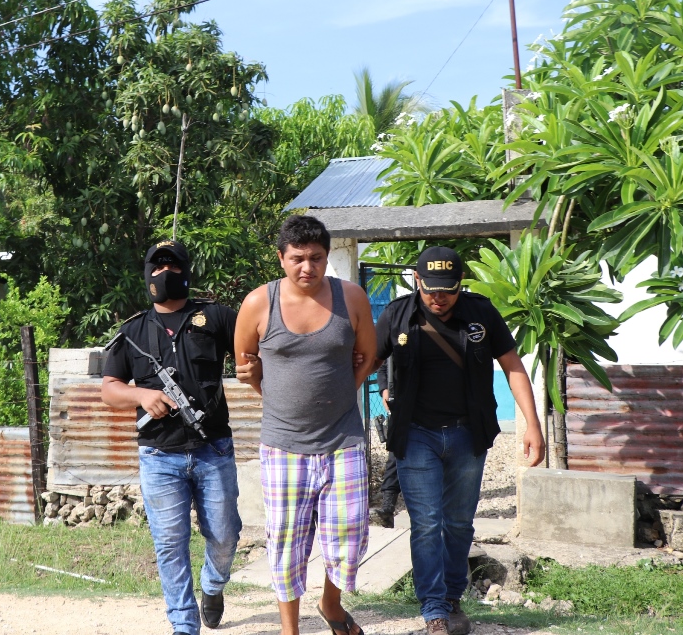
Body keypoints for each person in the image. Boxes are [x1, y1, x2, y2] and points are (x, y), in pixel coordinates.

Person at [374, 246, 546, 635]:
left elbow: (513, 366)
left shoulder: (481, 313)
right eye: (431, 289)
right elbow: (367, 359)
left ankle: (452, 598)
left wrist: (532, 425)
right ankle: (434, 609)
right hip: (415, 435)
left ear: (460, 284)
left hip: (468, 435)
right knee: (426, 522)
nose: (439, 298)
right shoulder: (397, 314)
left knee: (457, 522)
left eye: (448, 289)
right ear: (417, 280)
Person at [101, 239, 259, 635]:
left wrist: (254, 367)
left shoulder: (216, 317)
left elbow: (254, 350)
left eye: (172, 265)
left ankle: (213, 586)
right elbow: (109, 389)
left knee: (225, 535)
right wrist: (141, 395)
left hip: (213, 449)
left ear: (186, 271)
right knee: (170, 543)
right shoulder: (133, 331)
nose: (164, 272)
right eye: (157, 266)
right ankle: (184, 625)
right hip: (159, 455)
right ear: (147, 274)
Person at [234, 215, 377, 635]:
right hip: (283, 444)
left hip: (343, 437)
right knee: (286, 541)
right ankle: (289, 629)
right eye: (297, 258)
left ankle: (331, 603)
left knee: (350, 534)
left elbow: (367, 356)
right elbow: (245, 364)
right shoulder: (258, 303)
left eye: (316, 258)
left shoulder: (351, 298)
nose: (307, 267)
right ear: (281, 258)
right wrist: (275, 396)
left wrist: (342, 393)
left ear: (327, 257)